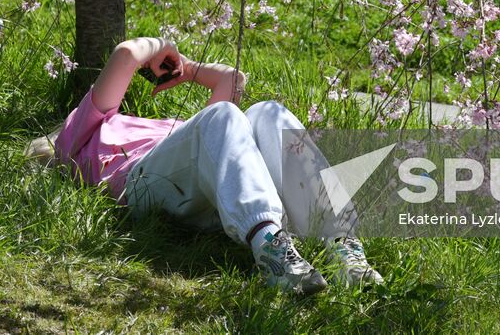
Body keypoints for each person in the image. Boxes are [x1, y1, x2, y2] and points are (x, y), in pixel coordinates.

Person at [27, 36, 383, 294]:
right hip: (143, 185)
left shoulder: (186, 132)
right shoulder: (77, 141)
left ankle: (342, 245)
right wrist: (159, 47)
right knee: (223, 115)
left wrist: (190, 70)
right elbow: (125, 54)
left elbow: (233, 80)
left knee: (268, 112)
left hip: (208, 190)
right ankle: (271, 248)